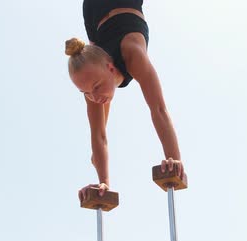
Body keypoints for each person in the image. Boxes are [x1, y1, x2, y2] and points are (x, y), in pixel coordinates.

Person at [67, 0, 185, 201]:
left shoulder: (132, 53)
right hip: (95, 16)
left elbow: (158, 109)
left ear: (111, 68)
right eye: (85, 92)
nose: (94, 97)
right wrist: (104, 181)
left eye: (96, 87)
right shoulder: (92, 72)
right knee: (98, 124)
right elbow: (99, 135)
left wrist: (174, 159)